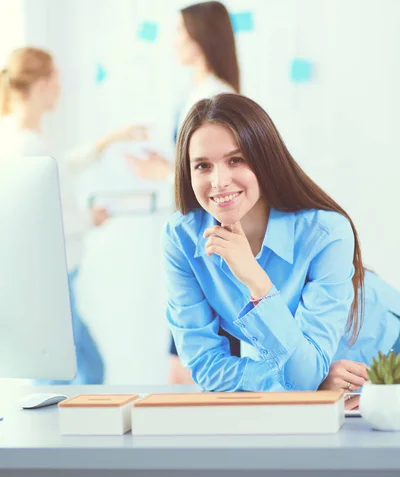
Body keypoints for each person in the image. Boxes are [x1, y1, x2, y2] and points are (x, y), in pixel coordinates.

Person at [163, 93, 400, 393]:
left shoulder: (327, 232)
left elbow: (303, 377)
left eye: (236, 160)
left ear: (264, 159)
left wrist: (255, 278)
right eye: (203, 166)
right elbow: (206, 366)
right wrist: (305, 380)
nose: (219, 180)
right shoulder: (181, 238)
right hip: (312, 379)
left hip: (384, 358)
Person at [0, 47, 145, 383]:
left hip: (57, 274)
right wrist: (88, 221)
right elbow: (37, 222)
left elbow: (62, 166)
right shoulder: (25, 146)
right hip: (53, 274)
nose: (60, 87)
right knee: (67, 371)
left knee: (82, 366)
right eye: (56, 78)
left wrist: (110, 139)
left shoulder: (26, 138)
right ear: (40, 86)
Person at [126, 1, 241, 383]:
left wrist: (162, 172)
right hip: (194, 241)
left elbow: (213, 181)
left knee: (191, 367)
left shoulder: (214, 97)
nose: (174, 41)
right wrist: (167, 166)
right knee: (184, 364)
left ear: (200, 35)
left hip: (210, 241)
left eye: (179, 31)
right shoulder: (195, 92)